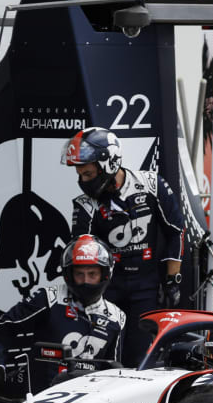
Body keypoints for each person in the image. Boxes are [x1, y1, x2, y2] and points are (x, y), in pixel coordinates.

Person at [66, 127, 184, 363]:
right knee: (101, 358)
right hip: (108, 288)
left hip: (147, 286)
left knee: (139, 357)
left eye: (88, 174)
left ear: (108, 163)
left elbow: (176, 230)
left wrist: (173, 281)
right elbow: (81, 251)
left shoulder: (151, 183)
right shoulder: (84, 204)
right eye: (80, 175)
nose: (82, 181)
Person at [0, 235, 125, 394]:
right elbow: (3, 327)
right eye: (79, 274)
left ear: (105, 274)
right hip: (39, 400)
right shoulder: (48, 298)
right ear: (69, 274)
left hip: (87, 401)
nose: (85, 281)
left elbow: (114, 371)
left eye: (92, 274)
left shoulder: (117, 318)